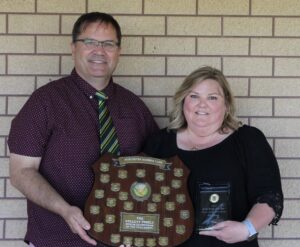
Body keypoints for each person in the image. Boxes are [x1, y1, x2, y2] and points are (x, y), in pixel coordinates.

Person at [8, 12, 158, 247]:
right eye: (89, 42)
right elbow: (21, 172)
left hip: (123, 240)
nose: (99, 51)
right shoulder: (44, 103)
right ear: (73, 48)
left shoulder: (136, 108)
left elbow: (155, 171)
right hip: (58, 239)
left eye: (108, 44)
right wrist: (64, 210)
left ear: (119, 51)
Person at [143, 66, 283, 247]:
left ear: (226, 105)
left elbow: (270, 196)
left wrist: (246, 228)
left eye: (212, 97)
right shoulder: (159, 143)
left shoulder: (248, 140)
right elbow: (139, 196)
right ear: (183, 101)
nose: (202, 104)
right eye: (194, 96)